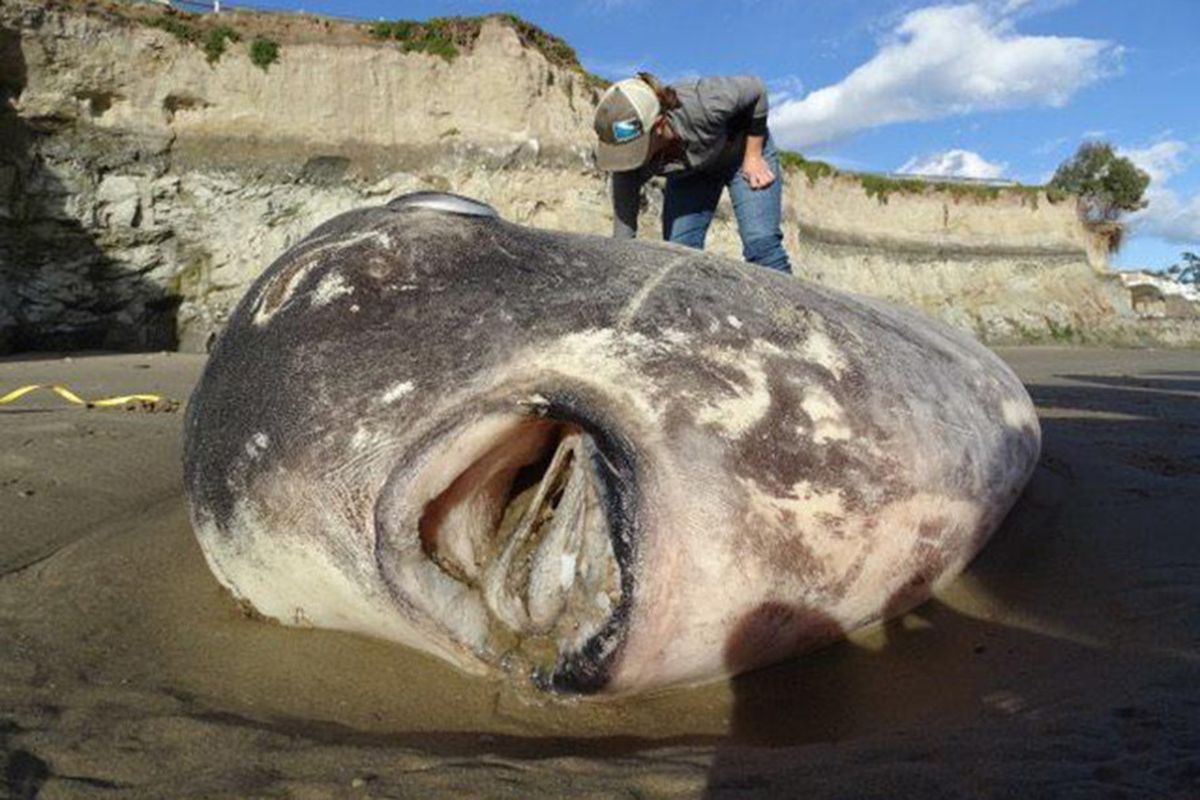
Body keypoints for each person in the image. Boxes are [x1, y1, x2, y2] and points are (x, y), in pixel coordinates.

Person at [593, 72, 792, 274]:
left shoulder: (702, 103)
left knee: (762, 245)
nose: (628, 158)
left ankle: (794, 306)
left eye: (634, 149)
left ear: (659, 125)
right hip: (692, 174)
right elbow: (623, 238)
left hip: (741, 154)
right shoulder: (628, 167)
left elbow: (756, 89)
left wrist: (753, 156)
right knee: (678, 256)